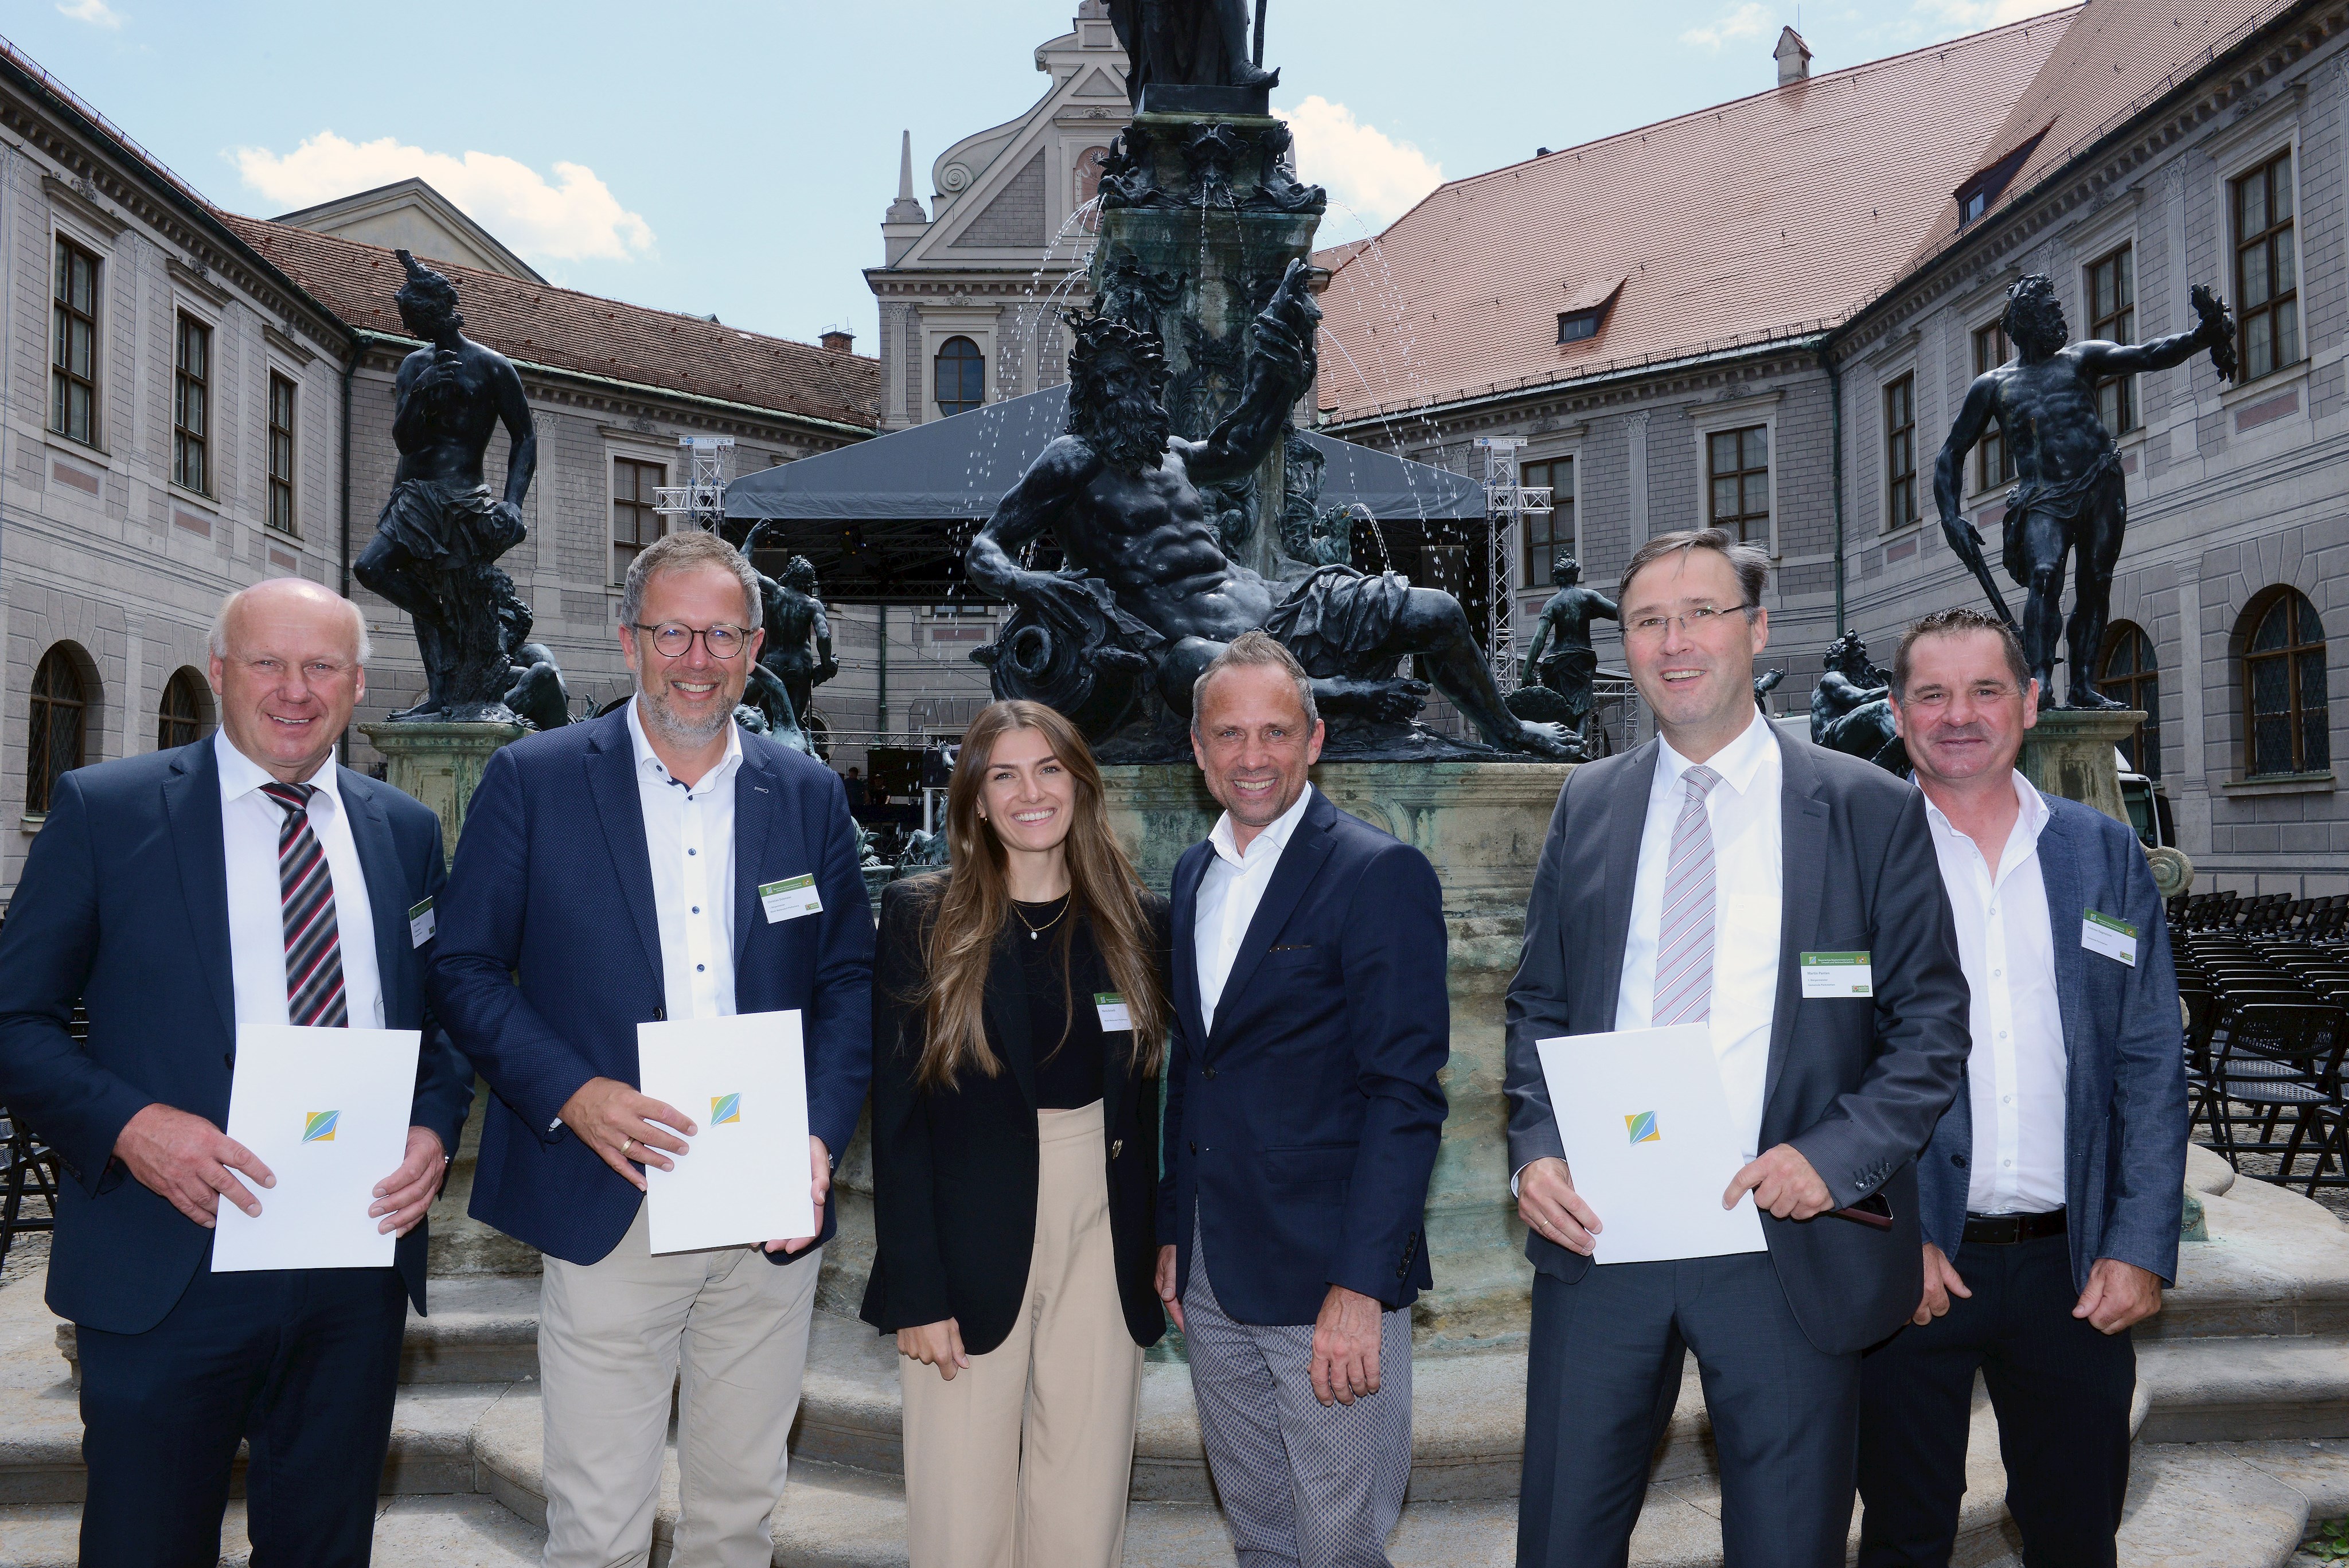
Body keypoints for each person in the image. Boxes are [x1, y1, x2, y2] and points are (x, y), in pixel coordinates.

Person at [1504, 528, 1971, 1568]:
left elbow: (1931, 1026)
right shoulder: (1585, 804)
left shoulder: (1868, 808)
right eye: (1647, 621)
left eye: (1701, 613)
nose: (1675, 642)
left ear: (1757, 630)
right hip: (1603, 1234)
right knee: (1563, 1539)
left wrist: (1833, 1155)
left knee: (1788, 1544)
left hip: (1785, 1235)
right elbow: (1536, 1005)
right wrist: (1535, 1148)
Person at [0, 578, 471, 1568]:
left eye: (321, 666)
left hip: (352, 1266)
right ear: (221, 671)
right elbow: (17, 1020)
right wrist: (130, 1125)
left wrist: (432, 1126)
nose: (294, 689)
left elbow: (443, 1023)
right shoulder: (106, 809)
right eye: (268, 661)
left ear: (355, 684)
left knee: (322, 1548)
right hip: (168, 1257)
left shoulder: (405, 831)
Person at [427, 529, 873, 1568]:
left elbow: (848, 980)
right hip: (609, 1186)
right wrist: (571, 1090)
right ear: (629, 638)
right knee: (596, 1523)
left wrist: (819, 1134)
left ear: (757, 644)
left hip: (767, 1201)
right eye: (672, 630)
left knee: (739, 1512)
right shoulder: (534, 780)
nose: (696, 656)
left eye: (721, 632)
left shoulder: (804, 793)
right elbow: (463, 967)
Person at [1858, 608, 2187, 1567]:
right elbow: (1818, 1066)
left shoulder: (2103, 853)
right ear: (1898, 709)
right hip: (1912, 1268)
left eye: (1985, 689)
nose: (1959, 714)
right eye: (1932, 693)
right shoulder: (1850, 854)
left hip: (2076, 1268)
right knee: (1905, 1536)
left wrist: (2138, 1243)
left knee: (2077, 1534)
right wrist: (1884, 1235)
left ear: (2030, 703)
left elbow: (2148, 1063)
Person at [1156, 630, 1450, 1567]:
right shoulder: (1191, 875)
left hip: (1330, 1278)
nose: (1252, 756)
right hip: (1213, 1272)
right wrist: (1175, 1230)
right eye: (1229, 734)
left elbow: (1405, 1094)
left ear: (1315, 738)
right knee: (1262, 1535)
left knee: (1340, 1541)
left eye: (1274, 732)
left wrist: (1361, 1287)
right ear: (1198, 750)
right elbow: (1193, 1067)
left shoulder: (1376, 872)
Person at [863, 699, 1172, 1567]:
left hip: (1102, 1234)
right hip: (965, 1235)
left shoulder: (1138, 921)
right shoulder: (923, 918)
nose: (1030, 791)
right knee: (961, 1519)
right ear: (974, 797)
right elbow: (896, 1117)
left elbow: (1169, 1098)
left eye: (1048, 769)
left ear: (1080, 783)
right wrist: (915, 1290)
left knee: (1082, 1513)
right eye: (1004, 773)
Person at [1933, 272, 2232, 708]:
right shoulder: (1994, 385)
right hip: (2043, 497)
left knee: (2096, 585)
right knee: (2044, 575)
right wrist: (1949, 516)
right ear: (2027, 318)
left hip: (2100, 484)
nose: (2059, 314)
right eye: (2050, 308)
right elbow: (1951, 453)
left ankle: (2082, 685)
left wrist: (2199, 337)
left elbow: (2147, 355)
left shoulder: (2081, 358)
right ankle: (2040, 679)